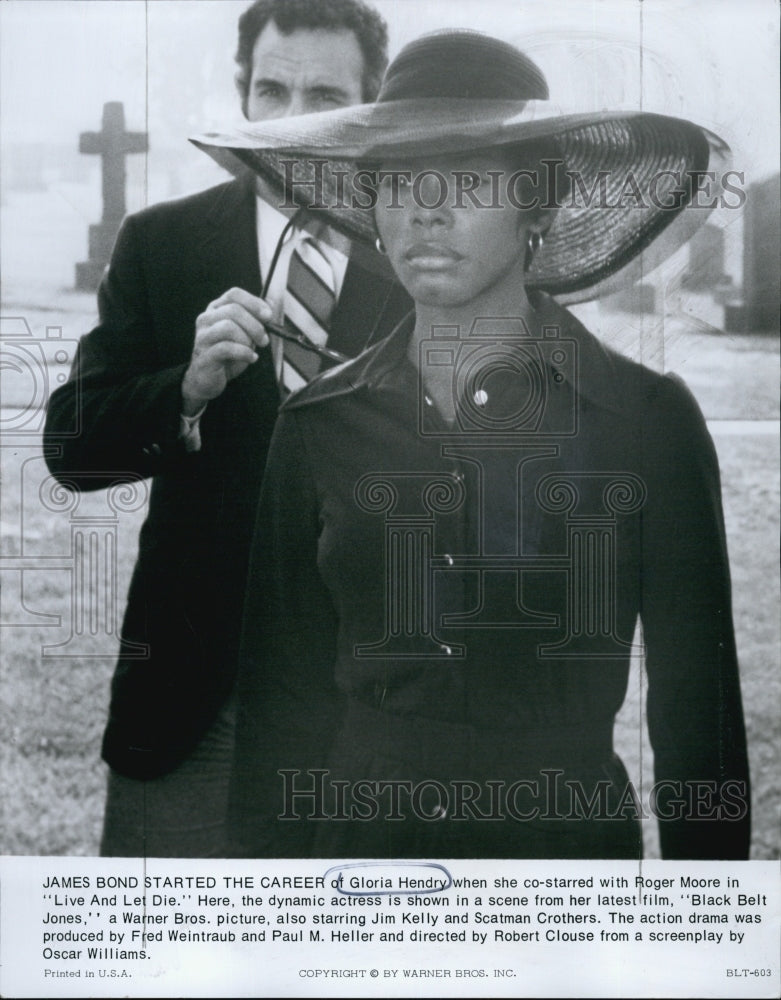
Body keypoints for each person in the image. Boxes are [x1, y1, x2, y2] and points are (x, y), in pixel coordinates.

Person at [227, 29, 751, 859]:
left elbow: (698, 719)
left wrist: (701, 932)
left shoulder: (643, 422)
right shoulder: (318, 424)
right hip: (358, 876)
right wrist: (263, 930)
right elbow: (279, 706)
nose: (424, 208)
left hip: (563, 877)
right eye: (397, 179)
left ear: (537, 205)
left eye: (466, 177)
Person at [42, 0, 411, 858]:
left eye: (323, 94)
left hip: (363, 704)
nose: (291, 121)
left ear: (372, 105)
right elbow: (72, 446)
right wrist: (185, 388)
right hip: (190, 694)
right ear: (242, 94)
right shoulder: (164, 244)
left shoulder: (420, 261)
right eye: (272, 90)